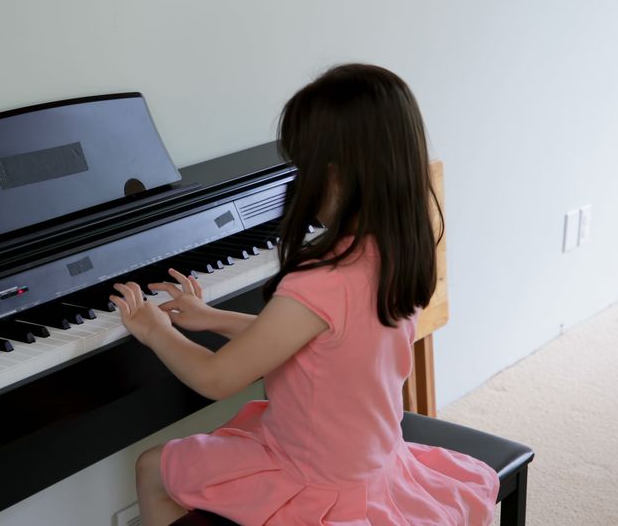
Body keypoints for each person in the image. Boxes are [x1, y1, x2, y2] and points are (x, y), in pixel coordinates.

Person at [110, 64, 499, 525]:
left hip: (314, 483)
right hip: (369, 459)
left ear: (331, 175)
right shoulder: (394, 250)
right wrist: (212, 318)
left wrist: (156, 330)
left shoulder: (323, 279)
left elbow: (216, 380)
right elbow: (314, 343)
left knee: (153, 467)